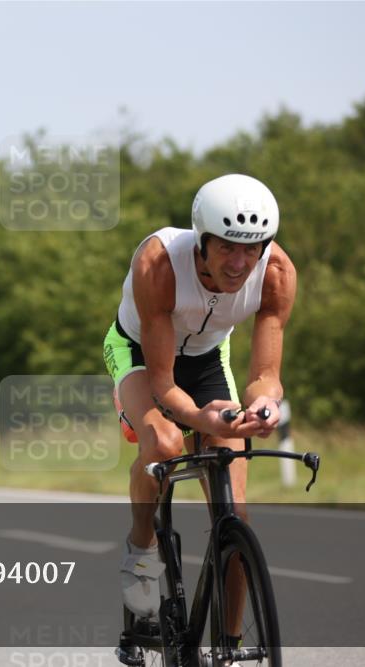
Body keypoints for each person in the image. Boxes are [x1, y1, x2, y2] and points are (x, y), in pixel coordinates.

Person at [103, 174, 296, 642]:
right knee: (165, 444)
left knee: (236, 515)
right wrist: (198, 419)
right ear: (202, 240)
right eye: (227, 247)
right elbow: (164, 384)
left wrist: (265, 404)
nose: (239, 263)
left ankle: (228, 648)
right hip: (141, 354)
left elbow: (265, 376)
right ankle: (141, 549)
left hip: (208, 359)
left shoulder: (276, 273)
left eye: (251, 248)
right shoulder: (159, 264)